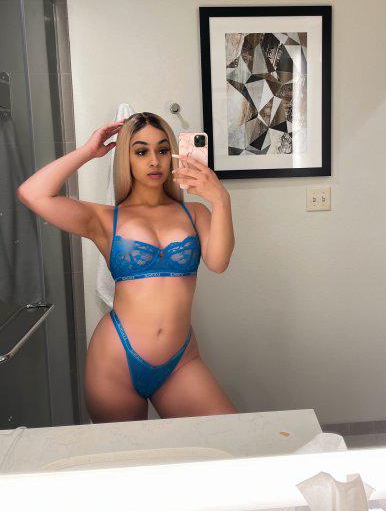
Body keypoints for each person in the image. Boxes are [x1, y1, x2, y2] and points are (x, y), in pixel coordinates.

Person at [17, 111, 238, 422]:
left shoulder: (196, 213)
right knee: (126, 452)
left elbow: (218, 262)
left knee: (228, 435)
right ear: (126, 158)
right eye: (141, 151)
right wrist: (88, 151)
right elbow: (31, 193)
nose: (155, 161)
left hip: (179, 362)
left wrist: (221, 200)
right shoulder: (104, 219)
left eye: (163, 150)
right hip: (115, 360)